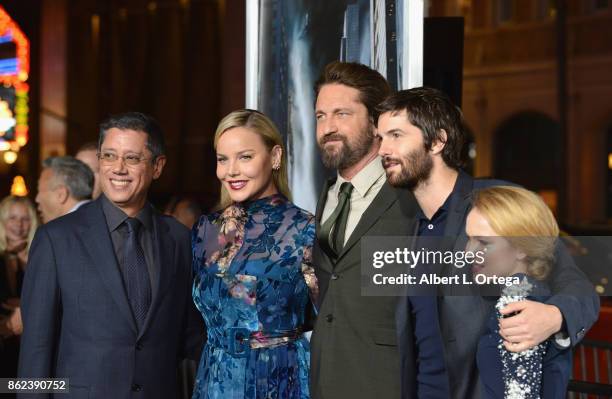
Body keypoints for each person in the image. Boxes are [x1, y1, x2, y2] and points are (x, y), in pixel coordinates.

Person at [376, 87, 599, 398]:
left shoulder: (495, 204)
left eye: (396, 135)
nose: (383, 150)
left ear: (438, 141)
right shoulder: (407, 225)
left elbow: (575, 283)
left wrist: (555, 317)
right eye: (380, 138)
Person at [19, 112, 203, 398]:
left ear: (157, 166)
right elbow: (36, 349)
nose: (118, 168)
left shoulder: (178, 239)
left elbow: (190, 337)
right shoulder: (56, 239)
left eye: (131, 158)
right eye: (108, 156)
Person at [309, 61, 419, 399]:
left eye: (342, 114)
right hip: (325, 381)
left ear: (376, 123)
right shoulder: (325, 196)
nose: (328, 127)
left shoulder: (412, 198)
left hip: (388, 384)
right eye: (320, 116)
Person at [191, 109, 317, 398]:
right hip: (215, 381)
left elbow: (328, 321)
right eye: (223, 159)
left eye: (245, 157)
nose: (231, 170)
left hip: (279, 381)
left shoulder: (304, 229)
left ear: (274, 157)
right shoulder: (205, 231)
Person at [467, 186, 572, 398]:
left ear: (520, 248)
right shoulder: (527, 293)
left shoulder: (518, 304)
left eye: (483, 242)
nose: (469, 252)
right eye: (469, 239)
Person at [0, 196, 38, 379]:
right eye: (12, 218)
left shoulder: (42, 255)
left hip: (33, 347)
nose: (19, 224)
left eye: (25, 218)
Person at [35, 156, 94, 223]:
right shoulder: (102, 218)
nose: (37, 199)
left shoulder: (59, 231)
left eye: (39, 191)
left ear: (61, 194)